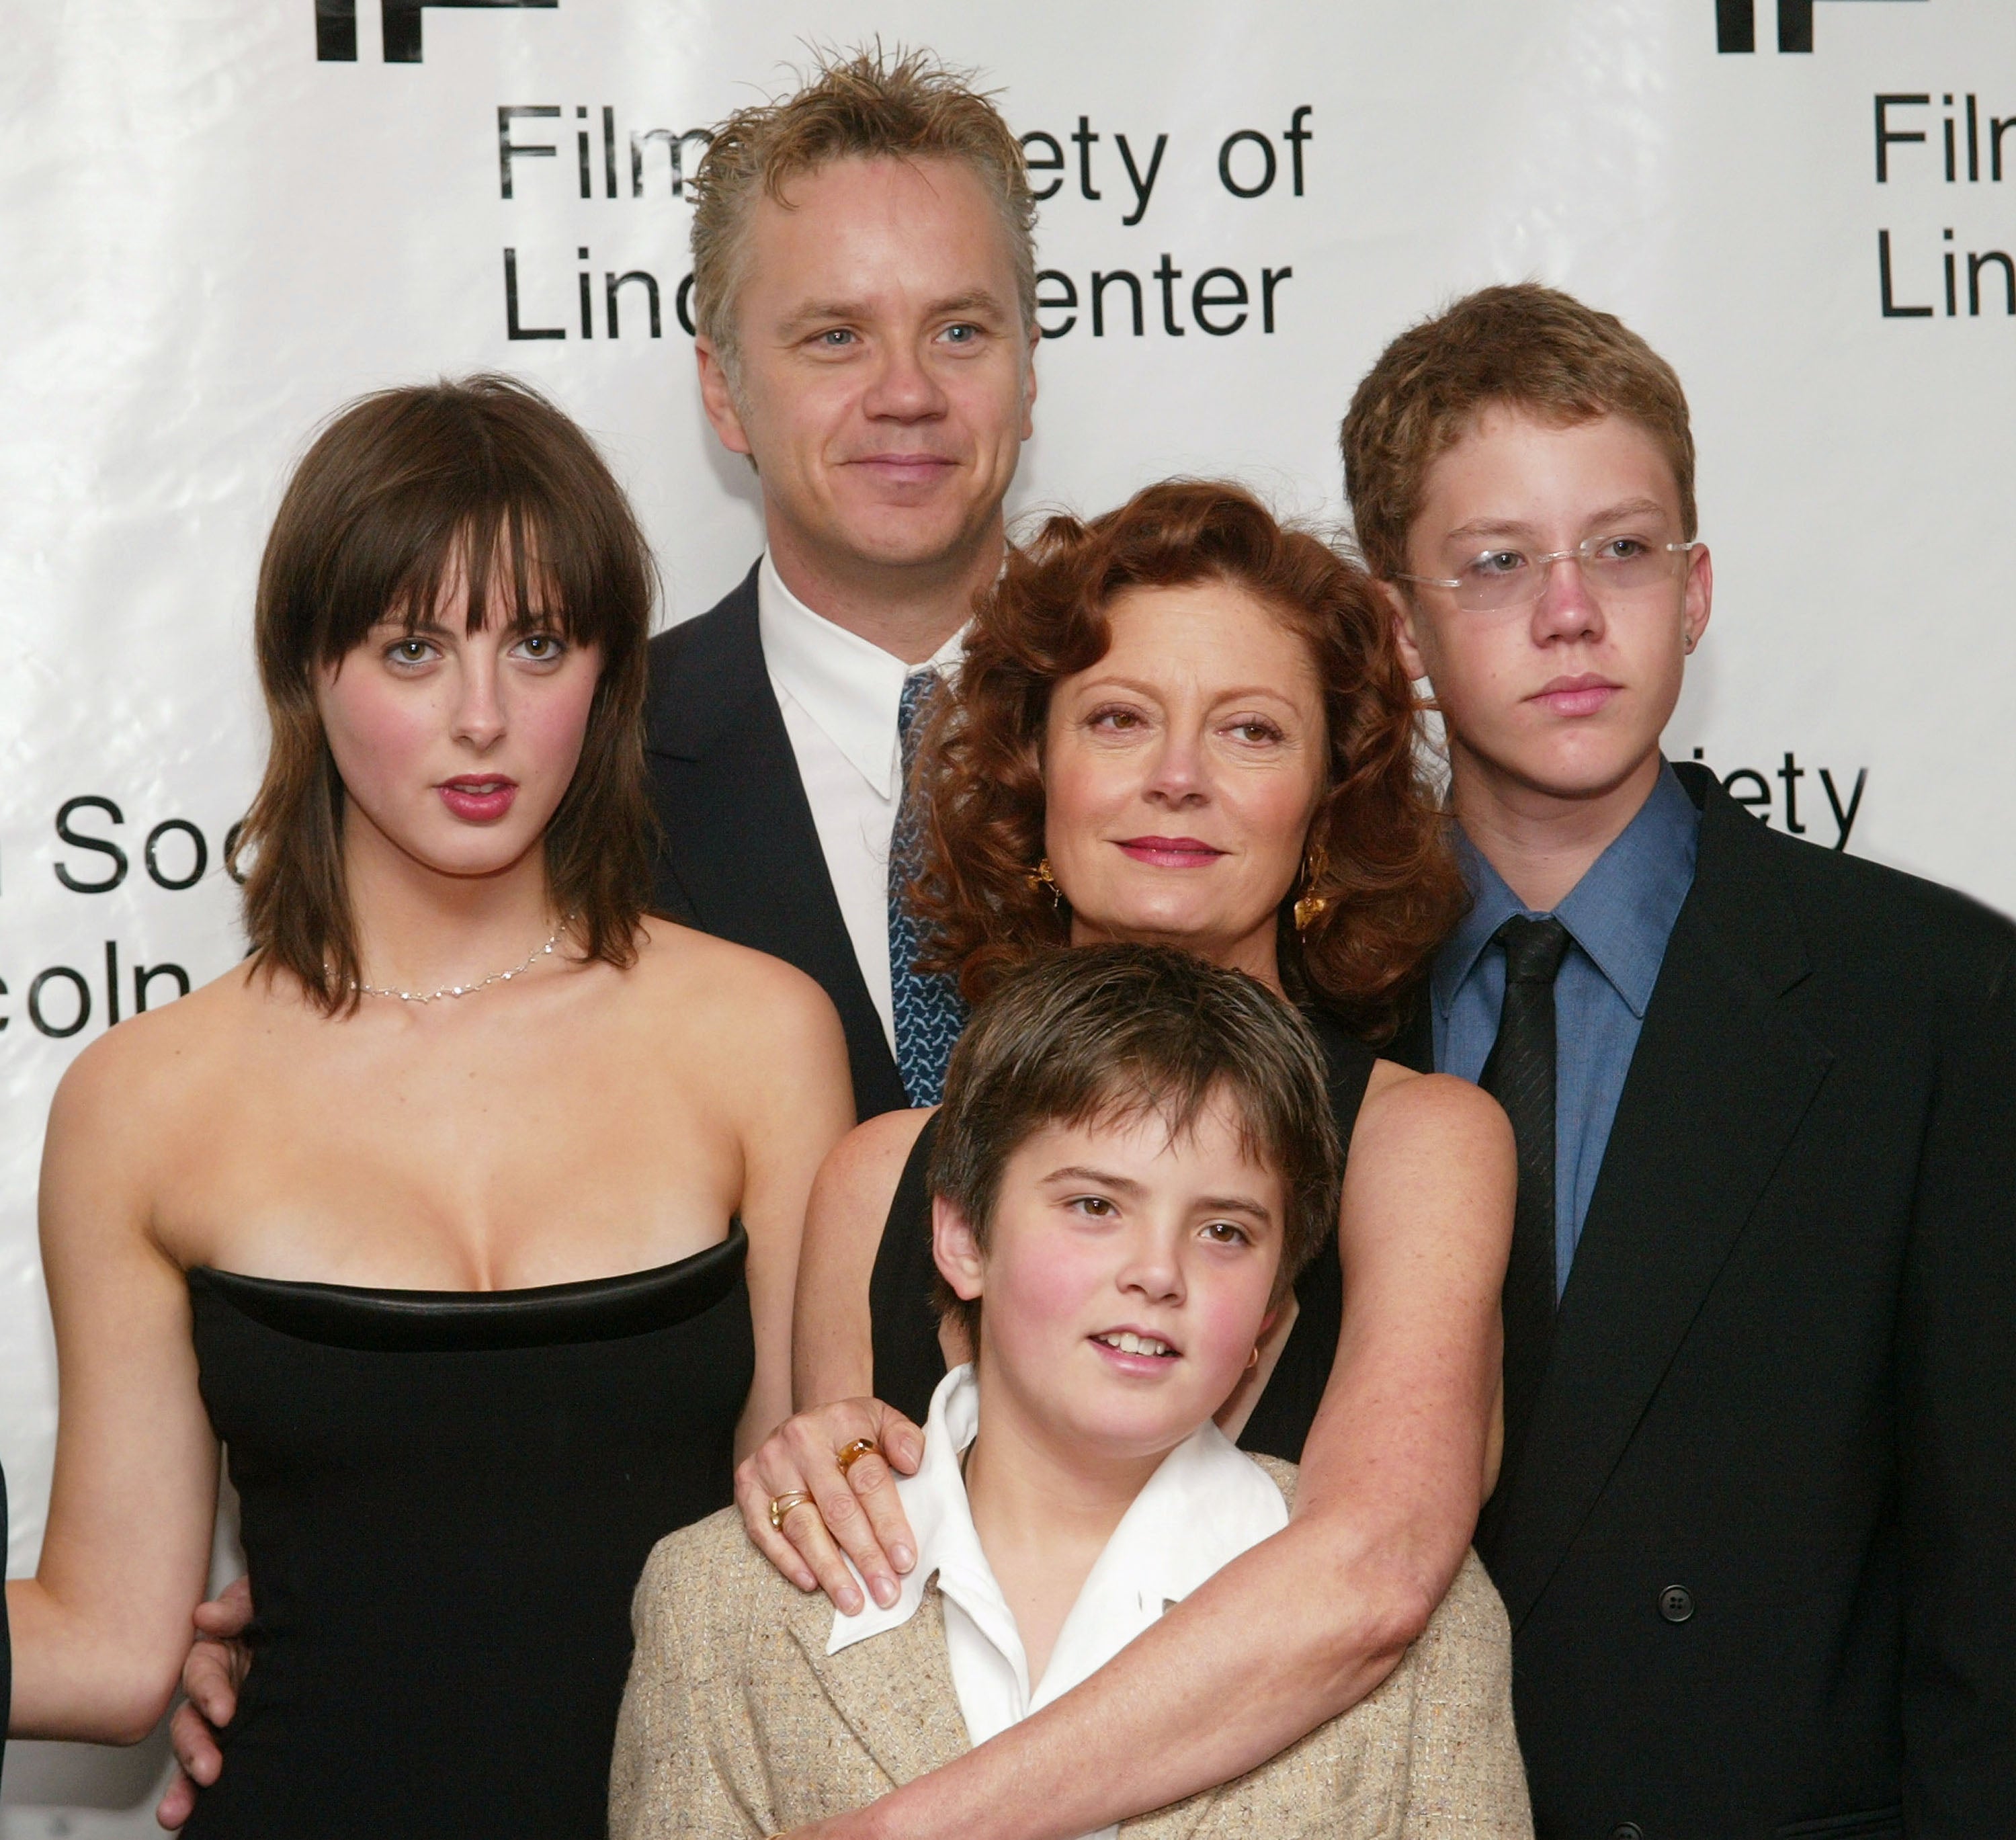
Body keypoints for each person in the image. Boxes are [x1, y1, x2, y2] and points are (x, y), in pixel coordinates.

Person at [7, 376, 853, 1839]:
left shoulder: (758, 1034)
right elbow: (107, 1639)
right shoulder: (142, 1101)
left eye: (537, 644)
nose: (483, 719)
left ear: (604, 670)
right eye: (412, 649)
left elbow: (815, 1542)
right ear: (308, 671)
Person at [727, 483, 1517, 1840]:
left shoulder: (1421, 1145)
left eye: (1252, 732)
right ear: (1034, 775)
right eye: (1118, 717)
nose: (1178, 776)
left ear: (1328, 804)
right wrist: (794, 1472)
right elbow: (841, 1639)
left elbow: (1373, 1578)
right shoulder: (876, 1178)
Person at [1348, 284, 2016, 1834]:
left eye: (1623, 548)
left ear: (1697, 589)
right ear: (1400, 626)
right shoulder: (1313, 1000)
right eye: (1499, 562)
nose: (1571, 611)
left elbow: (1997, 1596)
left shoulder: (1932, 997)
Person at [610, 946, 1532, 1839]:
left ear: (1268, 1313)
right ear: (964, 1238)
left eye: (1223, 1230)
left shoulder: (1440, 1634)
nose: (1158, 1272)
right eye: (1096, 1206)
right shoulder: (717, 1601)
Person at [644, 44, 1038, 1120]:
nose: (906, 393)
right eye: (835, 337)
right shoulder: (589, 760)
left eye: (960, 331)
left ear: (1030, 368)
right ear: (724, 394)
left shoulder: (1193, 729)